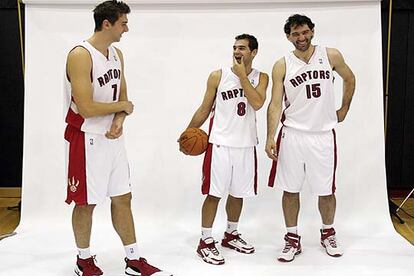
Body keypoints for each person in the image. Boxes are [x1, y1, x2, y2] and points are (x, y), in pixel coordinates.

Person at [64, 1, 171, 275]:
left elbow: (122, 96)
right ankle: (83, 260)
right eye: (123, 23)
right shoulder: (80, 54)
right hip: (86, 138)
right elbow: (86, 107)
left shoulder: (116, 54)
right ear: (107, 23)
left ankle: (133, 260)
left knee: (123, 197)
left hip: (113, 138)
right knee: (86, 203)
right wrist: (122, 108)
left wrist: (120, 119)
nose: (127, 28)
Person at [266, 14, 355, 262]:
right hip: (292, 134)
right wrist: (270, 136)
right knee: (290, 189)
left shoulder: (330, 55)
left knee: (326, 190)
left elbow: (350, 78)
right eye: (295, 34)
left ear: (312, 31)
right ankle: (292, 237)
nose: (301, 37)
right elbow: (274, 104)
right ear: (288, 37)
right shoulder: (282, 64)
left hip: (323, 135)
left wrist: (344, 108)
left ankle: (328, 233)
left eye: (304, 32)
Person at [179, 34, 269, 265]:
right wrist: (187, 132)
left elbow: (257, 103)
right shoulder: (218, 76)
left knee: (239, 193)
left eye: (243, 48)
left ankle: (230, 234)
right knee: (214, 194)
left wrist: (242, 77)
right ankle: (205, 241)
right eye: (235, 48)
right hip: (219, 144)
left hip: (246, 145)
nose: (237, 52)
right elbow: (204, 108)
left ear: (254, 52)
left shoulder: (262, 77)